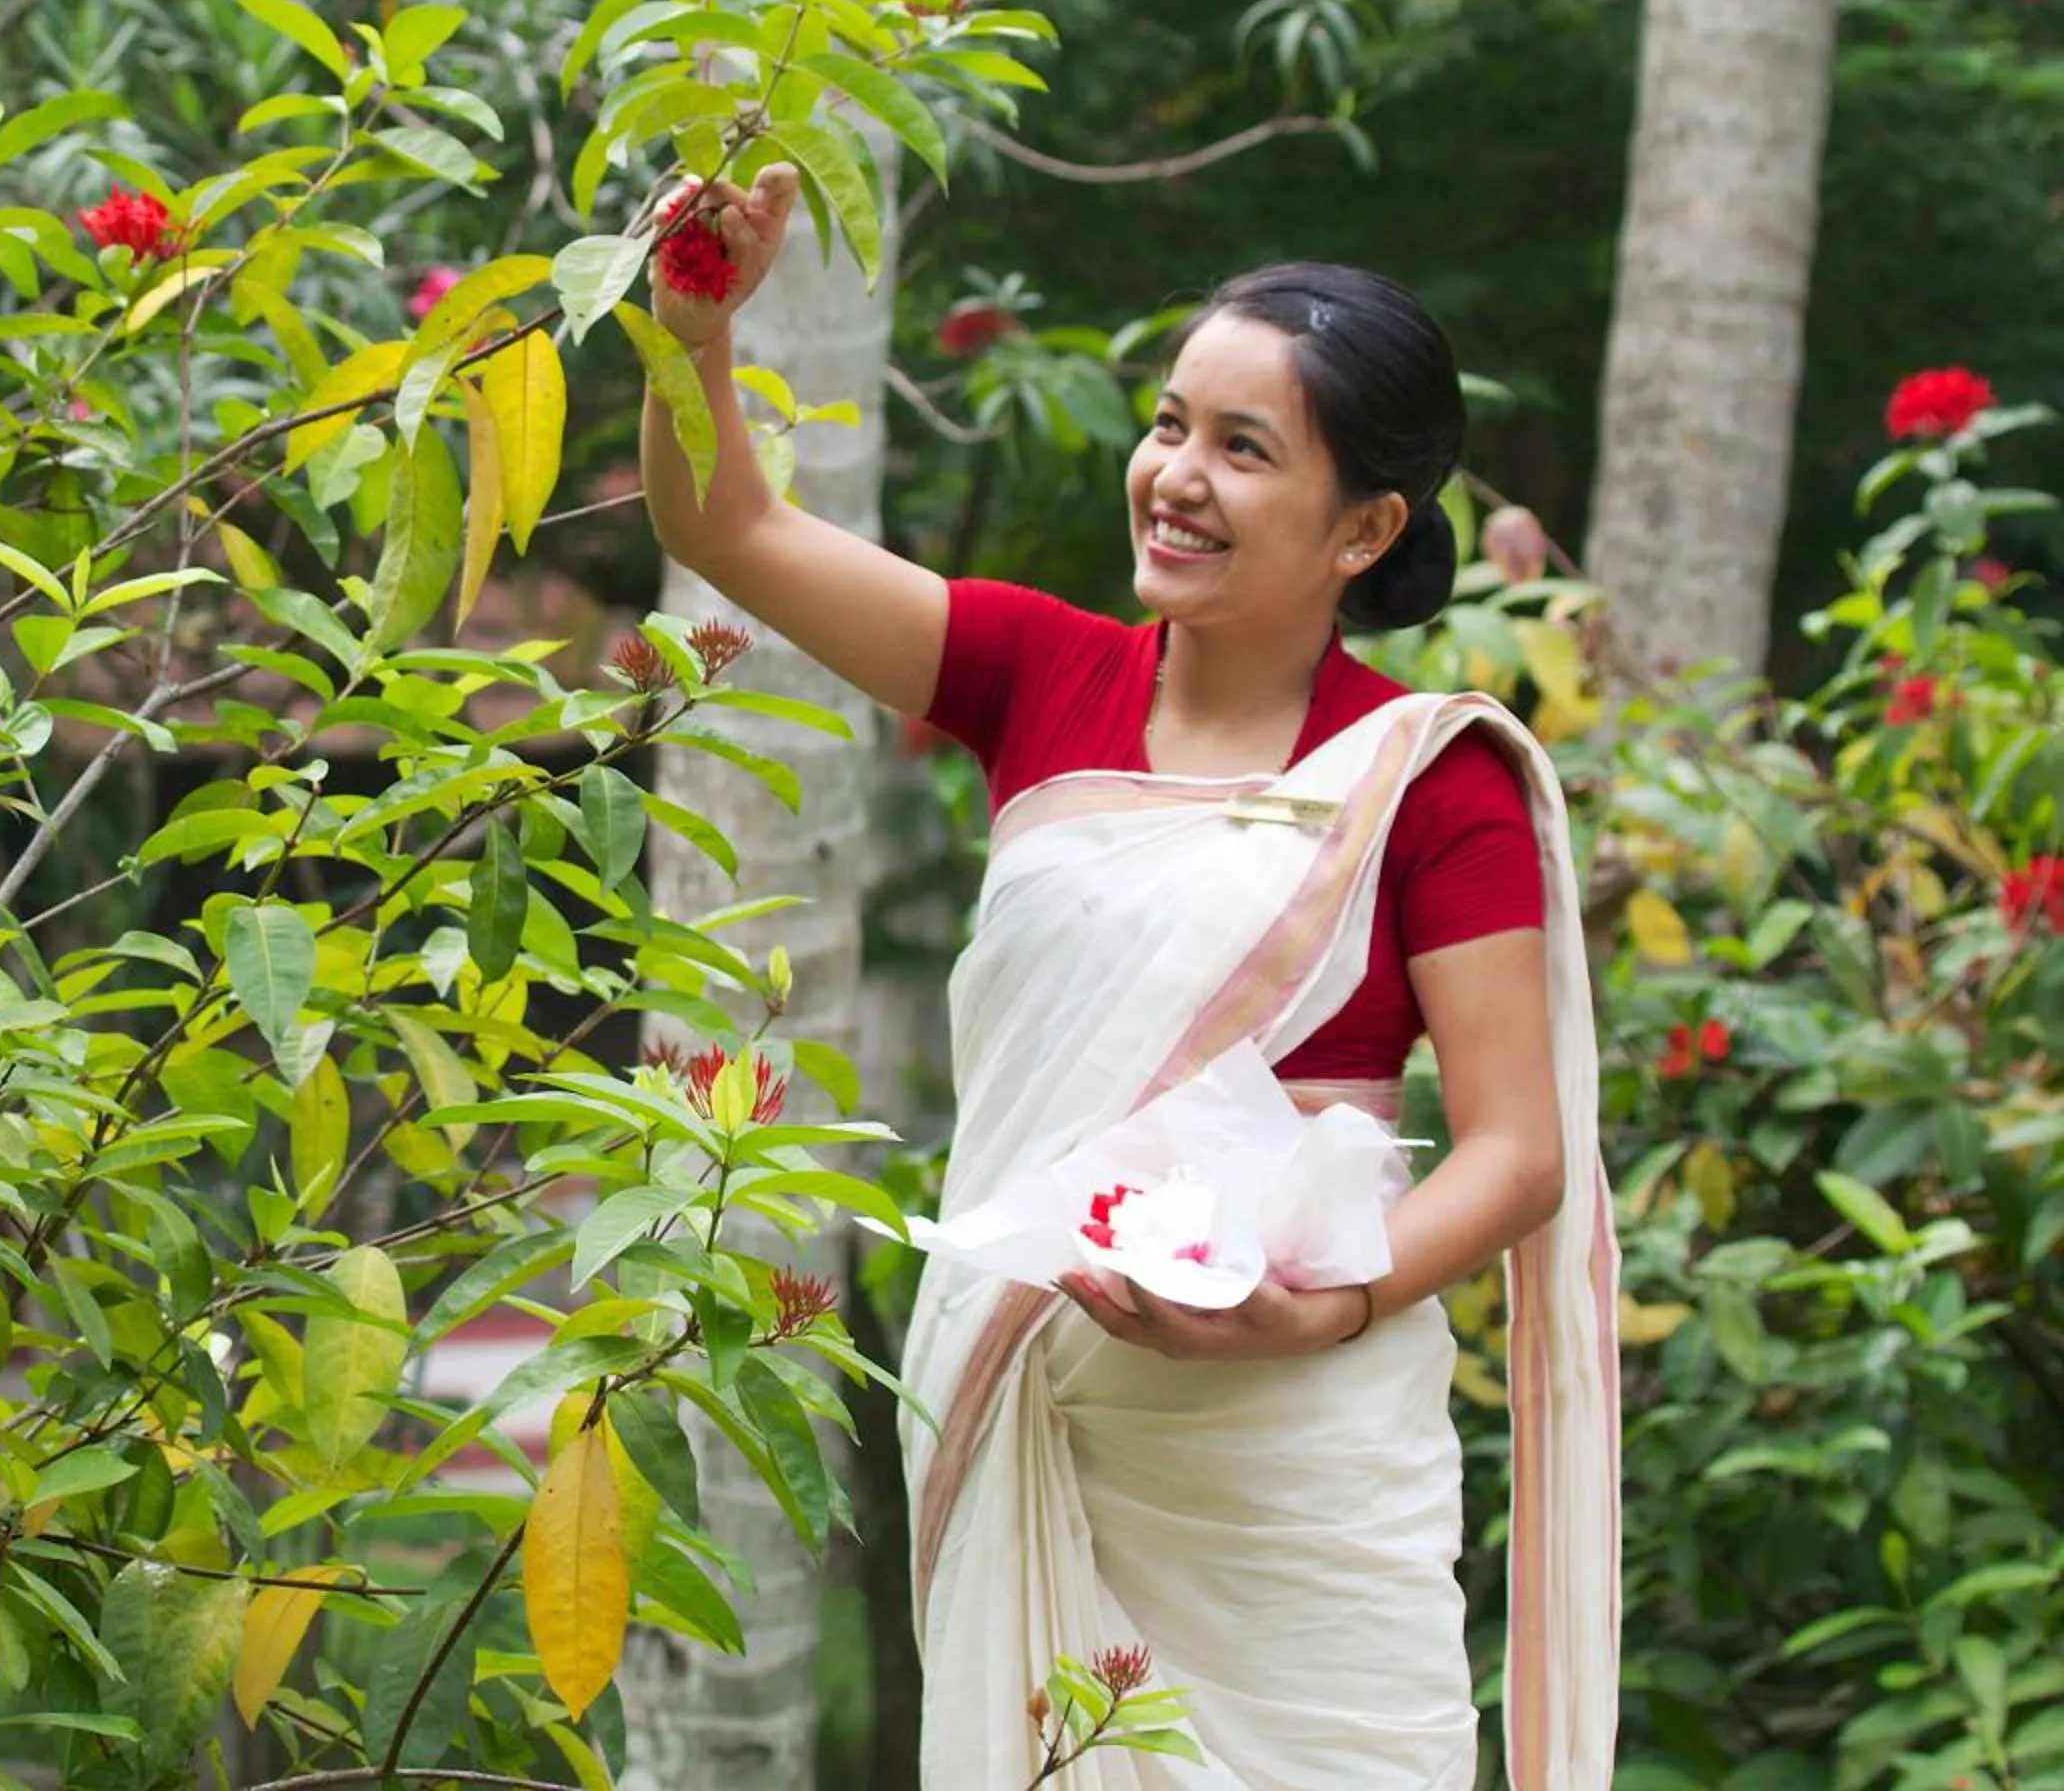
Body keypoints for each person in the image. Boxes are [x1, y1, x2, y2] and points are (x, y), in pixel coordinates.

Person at [635, 166, 1619, 1789]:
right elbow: (724, 526)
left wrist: (1319, 1308)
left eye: (1245, 448)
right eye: (1172, 426)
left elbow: (1518, 1154)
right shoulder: (1037, 675)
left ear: (1366, 528)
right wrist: (694, 333)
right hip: (1038, 1422)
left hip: (1300, 1486)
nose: (1176, 477)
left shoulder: (1432, 781)